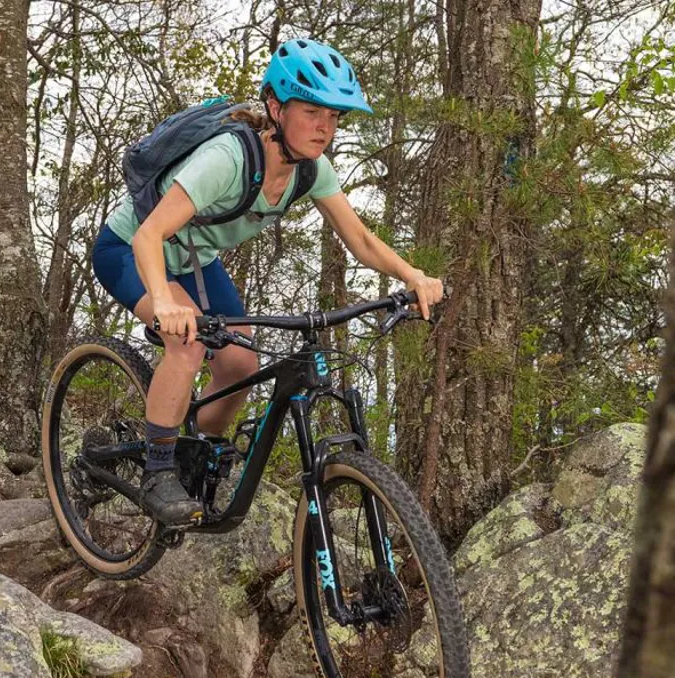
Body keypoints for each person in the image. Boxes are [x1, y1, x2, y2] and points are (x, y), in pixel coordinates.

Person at [92, 38, 444, 525]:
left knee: (240, 363)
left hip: (194, 259)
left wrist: (413, 275)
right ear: (276, 108)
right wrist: (164, 303)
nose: (325, 127)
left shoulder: (311, 170)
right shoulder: (227, 159)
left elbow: (361, 239)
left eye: (334, 116)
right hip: (129, 248)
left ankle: (195, 454)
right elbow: (149, 235)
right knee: (188, 343)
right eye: (312, 112)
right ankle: (158, 471)